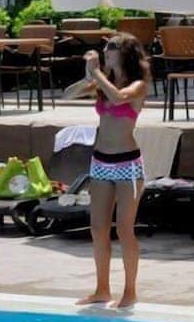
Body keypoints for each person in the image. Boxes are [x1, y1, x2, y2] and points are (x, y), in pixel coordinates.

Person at [63, 33, 149, 308]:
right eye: (105, 47)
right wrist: (88, 76)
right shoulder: (101, 83)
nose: (105, 51)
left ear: (126, 53)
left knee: (124, 229)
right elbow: (67, 94)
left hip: (128, 165)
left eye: (111, 47)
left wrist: (97, 73)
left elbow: (120, 98)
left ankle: (130, 291)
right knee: (98, 229)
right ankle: (102, 289)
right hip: (101, 163)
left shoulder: (138, 85)